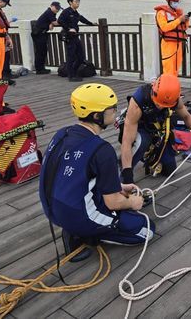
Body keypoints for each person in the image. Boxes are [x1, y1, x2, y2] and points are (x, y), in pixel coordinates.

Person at [39, 83, 154, 262]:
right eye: (112, 109)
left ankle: (76, 228)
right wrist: (133, 202)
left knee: (121, 206)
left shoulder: (62, 133)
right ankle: (87, 234)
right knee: (146, 228)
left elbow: (78, 174)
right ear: (96, 115)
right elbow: (113, 201)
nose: (116, 111)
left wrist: (119, 186)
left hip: (51, 208)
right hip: (77, 215)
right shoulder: (102, 150)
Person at [120, 74, 191, 180]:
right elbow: (127, 140)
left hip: (160, 131)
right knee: (141, 143)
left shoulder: (174, 99)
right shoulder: (139, 101)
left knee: (170, 170)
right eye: (158, 104)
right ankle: (122, 169)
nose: (161, 107)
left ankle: (150, 158)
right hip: (140, 127)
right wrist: (127, 172)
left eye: (165, 105)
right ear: (153, 90)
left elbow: (186, 116)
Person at [58, 0, 94, 82]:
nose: (78, 4)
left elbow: (81, 19)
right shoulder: (66, 12)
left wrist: (91, 23)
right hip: (69, 37)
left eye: (78, 2)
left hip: (75, 37)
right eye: (76, 2)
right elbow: (60, 21)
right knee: (71, 57)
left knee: (81, 57)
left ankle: (73, 72)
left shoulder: (75, 12)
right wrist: (69, 29)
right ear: (70, 2)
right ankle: (71, 76)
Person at [155, 0, 189, 76]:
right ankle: (167, 89)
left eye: (177, 1)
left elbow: (185, 28)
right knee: (168, 70)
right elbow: (164, 27)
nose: (176, 3)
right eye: (175, 1)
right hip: (168, 45)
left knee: (176, 70)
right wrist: (179, 20)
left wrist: (185, 20)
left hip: (178, 44)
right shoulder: (161, 13)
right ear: (169, 1)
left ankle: (174, 88)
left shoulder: (177, 13)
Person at [32, 1, 62, 74]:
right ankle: (39, 69)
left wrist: (51, 23)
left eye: (58, 9)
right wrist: (63, 22)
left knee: (43, 52)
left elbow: (52, 23)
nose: (57, 10)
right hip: (39, 34)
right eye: (56, 8)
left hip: (41, 34)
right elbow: (55, 22)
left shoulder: (52, 13)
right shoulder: (49, 12)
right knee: (40, 52)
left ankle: (41, 68)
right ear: (51, 6)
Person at [0, 0, 17, 79]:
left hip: (3, 35)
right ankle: (5, 74)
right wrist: (11, 21)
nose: (5, 6)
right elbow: (1, 25)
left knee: (6, 55)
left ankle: (6, 72)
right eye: (5, 4)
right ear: (1, 2)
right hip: (1, 37)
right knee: (5, 56)